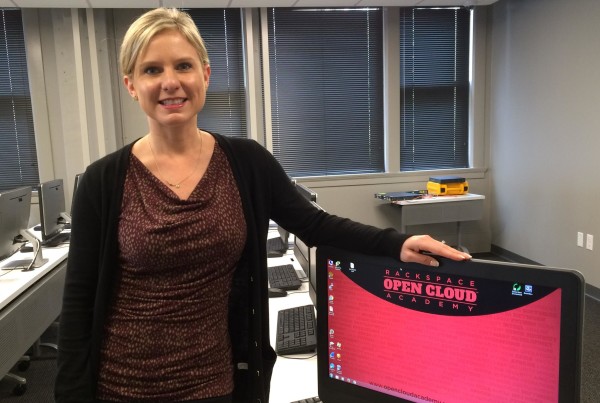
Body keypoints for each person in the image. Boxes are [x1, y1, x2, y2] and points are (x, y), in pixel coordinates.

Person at [55, 7, 471, 403]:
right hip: (122, 386)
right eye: (151, 70)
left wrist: (395, 243)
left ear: (205, 74)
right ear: (131, 85)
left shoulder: (246, 162)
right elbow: (78, 303)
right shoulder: (103, 181)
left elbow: (315, 225)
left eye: (183, 65)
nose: (170, 82)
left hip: (214, 381)